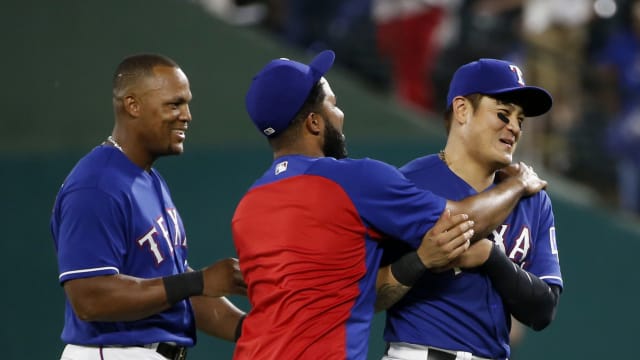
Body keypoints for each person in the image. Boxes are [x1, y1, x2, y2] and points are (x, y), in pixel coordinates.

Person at [231, 50, 547, 359]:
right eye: (334, 105)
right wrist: (519, 183)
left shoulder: (246, 209)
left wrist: (420, 259)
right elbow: (460, 221)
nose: (340, 115)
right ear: (314, 123)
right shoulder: (355, 180)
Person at [50, 53, 247, 360]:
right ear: (133, 105)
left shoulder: (147, 178)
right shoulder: (96, 185)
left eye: (187, 103)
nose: (187, 115)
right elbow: (89, 298)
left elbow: (179, 292)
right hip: (114, 352)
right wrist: (198, 281)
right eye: (174, 104)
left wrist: (251, 331)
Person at [377, 58, 563, 360]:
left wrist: (492, 258)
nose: (514, 127)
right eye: (503, 114)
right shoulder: (407, 184)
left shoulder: (534, 200)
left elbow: (544, 309)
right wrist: (420, 260)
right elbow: (366, 292)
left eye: (521, 120)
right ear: (463, 110)